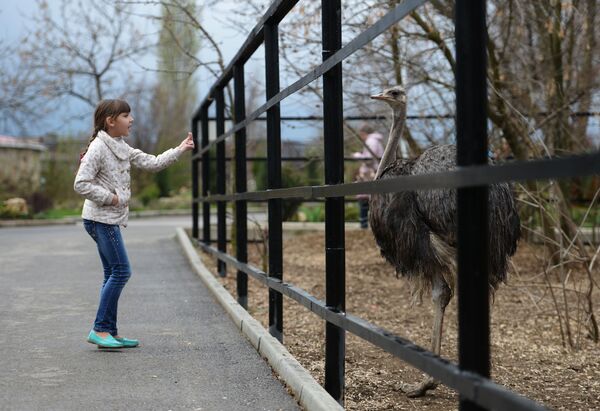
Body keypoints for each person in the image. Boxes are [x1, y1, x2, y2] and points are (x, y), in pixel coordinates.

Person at [74, 99, 195, 349]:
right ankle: (99, 329)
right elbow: (81, 184)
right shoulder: (98, 148)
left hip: (105, 220)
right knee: (122, 271)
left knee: (112, 273)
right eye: (126, 116)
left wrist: (180, 149)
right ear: (111, 121)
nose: (132, 120)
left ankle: (108, 331)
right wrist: (113, 198)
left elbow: (152, 163)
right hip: (100, 220)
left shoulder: (120, 145)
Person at [352, 123, 385, 229]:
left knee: (364, 200)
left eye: (361, 134)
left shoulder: (371, 141)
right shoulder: (376, 141)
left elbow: (369, 159)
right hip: (373, 172)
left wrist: (357, 155)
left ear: (364, 133)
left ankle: (364, 224)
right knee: (371, 199)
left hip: (369, 174)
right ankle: (371, 224)